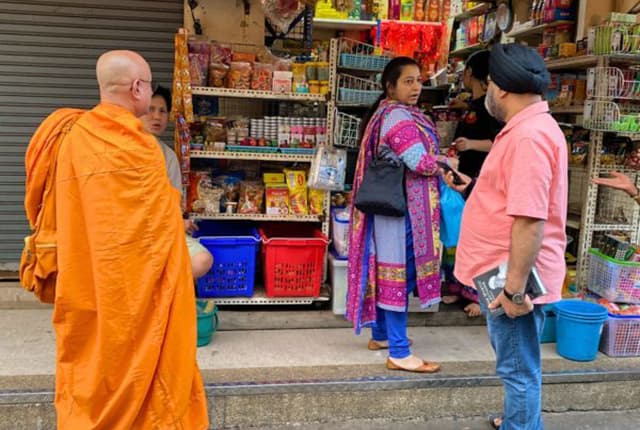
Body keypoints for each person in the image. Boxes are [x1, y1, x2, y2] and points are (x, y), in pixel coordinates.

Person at [37, 50, 209, 429]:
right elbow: (161, 236)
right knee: (145, 368)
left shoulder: (69, 136)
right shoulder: (141, 149)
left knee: (93, 362)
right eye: (147, 86)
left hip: (86, 281)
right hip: (133, 292)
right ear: (137, 88)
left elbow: (45, 209)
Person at [444, 44, 567, 430]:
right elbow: (516, 199)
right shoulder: (526, 129)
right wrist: (474, 188)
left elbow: (530, 221)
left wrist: (515, 292)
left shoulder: (527, 137)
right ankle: (519, 419)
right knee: (517, 364)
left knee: (517, 369)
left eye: (490, 84)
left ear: (500, 89)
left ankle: (521, 425)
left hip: (509, 278)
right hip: (502, 272)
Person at [346, 57, 448, 373]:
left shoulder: (387, 113)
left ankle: (381, 335)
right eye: (408, 81)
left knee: (388, 272)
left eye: (419, 80)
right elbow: (419, 162)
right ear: (390, 86)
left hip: (390, 209)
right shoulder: (397, 117)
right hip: (399, 212)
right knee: (398, 277)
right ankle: (400, 352)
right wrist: (446, 163)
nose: (416, 86)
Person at [442, 50, 503, 317]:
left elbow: (498, 142)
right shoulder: (475, 104)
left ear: (470, 73)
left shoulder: (490, 108)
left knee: (480, 238)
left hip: (481, 180)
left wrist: (471, 144)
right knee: (459, 235)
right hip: (463, 180)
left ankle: (481, 297)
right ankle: (457, 287)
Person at [140, 85, 213, 279]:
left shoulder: (168, 156)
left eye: (162, 111)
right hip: (131, 233)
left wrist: (178, 222)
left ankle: (163, 296)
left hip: (161, 232)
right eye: (150, 109)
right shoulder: (123, 147)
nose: (156, 117)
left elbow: (173, 204)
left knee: (202, 260)